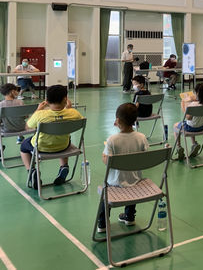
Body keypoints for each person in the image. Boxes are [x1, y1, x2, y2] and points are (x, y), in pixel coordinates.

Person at [96, 103, 149, 233]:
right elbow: (145, 156)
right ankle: (130, 217)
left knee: (105, 192)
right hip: (135, 181)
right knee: (132, 183)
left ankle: (102, 223)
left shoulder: (112, 140)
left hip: (115, 183)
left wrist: (104, 156)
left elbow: (107, 161)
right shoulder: (141, 137)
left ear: (117, 121)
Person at [19, 85, 83, 188]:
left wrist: (38, 110)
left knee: (23, 146)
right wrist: (70, 109)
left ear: (47, 100)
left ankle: (32, 171)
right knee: (66, 137)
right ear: (65, 99)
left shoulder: (40, 115)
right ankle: (64, 166)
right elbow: (79, 121)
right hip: (63, 146)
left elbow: (27, 127)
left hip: (41, 147)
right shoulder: (73, 113)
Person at [175, 83, 203, 160]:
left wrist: (183, 103)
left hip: (191, 128)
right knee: (193, 123)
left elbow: (188, 118)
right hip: (201, 127)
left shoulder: (193, 104)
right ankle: (194, 143)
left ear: (197, 94)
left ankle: (178, 146)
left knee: (176, 126)